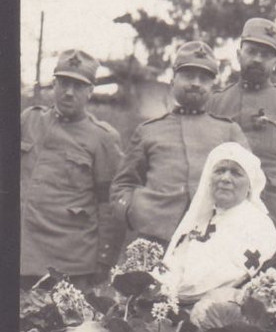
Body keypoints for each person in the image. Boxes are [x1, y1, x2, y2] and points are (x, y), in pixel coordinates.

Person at [111, 40, 249, 245]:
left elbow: (249, 183)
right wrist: (133, 212)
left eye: (204, 78)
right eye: (188, 76)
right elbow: (124, 182)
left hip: (210, 238)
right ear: (172, 81)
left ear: (213, 86)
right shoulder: (149, 130)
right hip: (153, 235)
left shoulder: (229, 131)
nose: (195, 83)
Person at [21, 49, 123, 282]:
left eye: (78, 86)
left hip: (70, 262)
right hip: (21, 254)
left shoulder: (102, 138)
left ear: (90, 92)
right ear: (54, 85)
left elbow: (110, 205)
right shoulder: (29, 120)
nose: (69, 92)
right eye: (64, 83)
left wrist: (104, 261)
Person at [210, 18, 276, 247]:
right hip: (227, 203)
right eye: (252, 51)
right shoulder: (216, 102)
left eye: (266, 55)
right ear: (239, 54)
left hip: (275, 204)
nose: (257, 59)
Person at [161, 142, 276, 304]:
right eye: (220, 171)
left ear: (250, 186)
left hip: (218, 308)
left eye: (236, 173)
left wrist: (170, 292)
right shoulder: (200, 219)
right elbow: (173, 263)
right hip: (172, 299)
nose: (225, 178)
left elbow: (224, 277)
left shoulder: (259, 225)